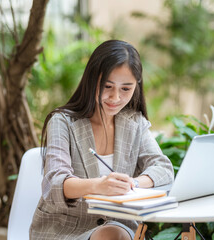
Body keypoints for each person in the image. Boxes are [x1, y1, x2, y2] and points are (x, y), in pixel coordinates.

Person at [29, 40, 174, 240]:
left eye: (126, 88)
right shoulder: (63, 122)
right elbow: (55, 183)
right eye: (107, 86)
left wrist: (132, 183)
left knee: (114, 233)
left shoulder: (135, 123)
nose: (115, 97)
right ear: (91, 80)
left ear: (136, 87)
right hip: (63, 230)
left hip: (118, 227)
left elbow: (163, 168)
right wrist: (98, 185)